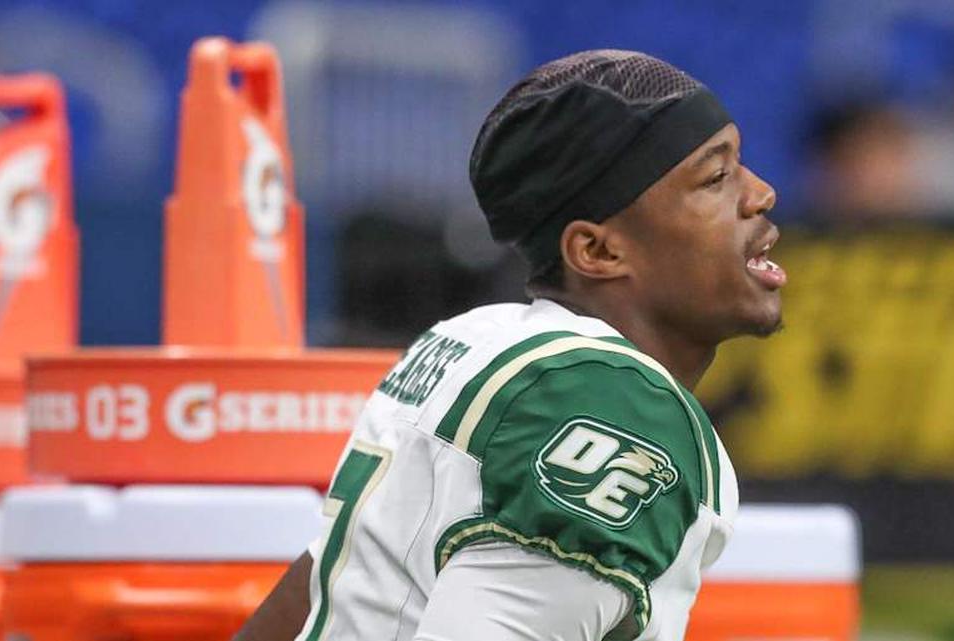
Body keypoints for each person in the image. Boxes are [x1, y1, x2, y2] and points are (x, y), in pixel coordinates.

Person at [235, 49, 783, 641]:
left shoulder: (474, 338)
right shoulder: (612, 402)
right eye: (715, 178)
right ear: (597, 252)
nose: (761, 194)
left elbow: (317, 591)